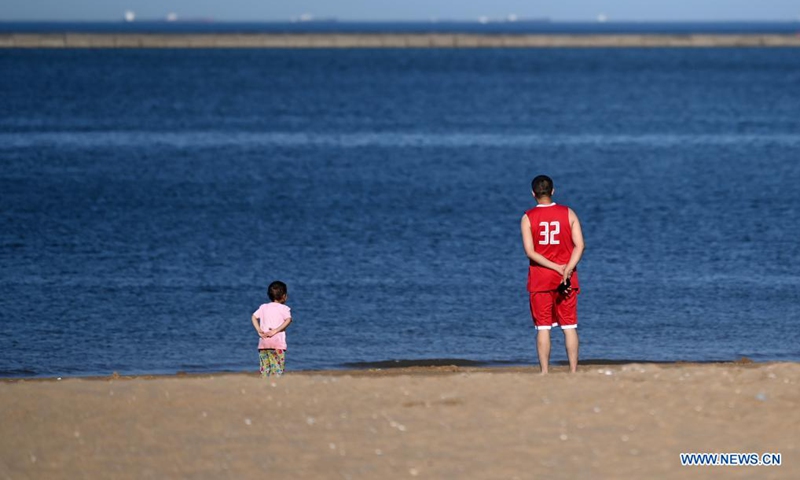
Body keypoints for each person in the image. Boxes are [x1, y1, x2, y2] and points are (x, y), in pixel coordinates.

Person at [520, 175, 585, 374]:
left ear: (533, 194)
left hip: (541, 279)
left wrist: (556, 268)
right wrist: (566, 268)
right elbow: (580, 245)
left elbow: (530, 252)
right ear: (553, 191)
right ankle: (573, 370)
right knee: (569, 325)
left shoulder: (528, 217)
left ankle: (545, 371)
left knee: (543, 327)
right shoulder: (568, 213)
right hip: (567, 277)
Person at [251, 281, 293, 377]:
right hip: (277, 344)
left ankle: (265, 383)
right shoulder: (284, 308)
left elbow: (253, 317)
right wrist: (276, 330)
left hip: (264, 343)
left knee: (265, 368)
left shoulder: (263, 307)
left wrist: (259, 330)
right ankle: (275, 385)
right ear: (284, 296)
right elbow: (289, 320)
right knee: (277, 368)